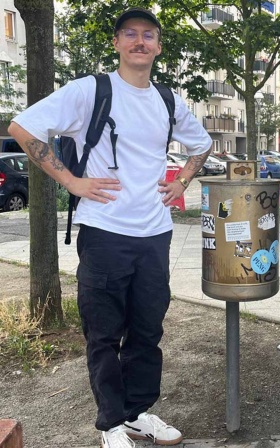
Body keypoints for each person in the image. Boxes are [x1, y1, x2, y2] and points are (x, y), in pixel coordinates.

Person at [8, 7, 212, 448]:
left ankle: (138, 413)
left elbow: (201, 143)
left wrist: (181, 182)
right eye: (131, 34)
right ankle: (111, 424)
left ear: (158, 46)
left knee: (147, 329)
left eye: (149, 36)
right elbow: (23, 128)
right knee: (103, 332)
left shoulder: (168, 99)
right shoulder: (91, 91)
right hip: (104, 232)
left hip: (155, 233)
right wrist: (71, 181)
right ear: (117, 42)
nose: (141, 42)